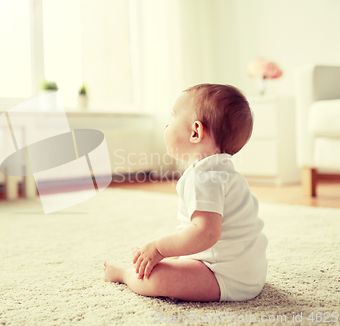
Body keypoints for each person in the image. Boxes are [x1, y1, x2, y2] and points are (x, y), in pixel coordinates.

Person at [103, 84, 268, 302]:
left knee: (155, 277)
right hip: (248, 272)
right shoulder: (221, 171)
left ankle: (124, 274)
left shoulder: (204, 177)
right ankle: (147, 262)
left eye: (173, 117)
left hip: (225, 276)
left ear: (195, 132)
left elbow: (206, 233)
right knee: (167, 261)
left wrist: (159, 248)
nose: (166, 124)